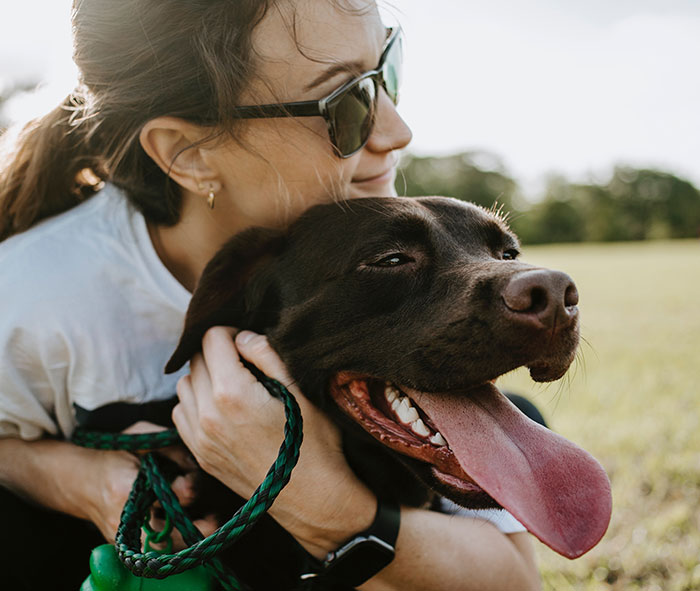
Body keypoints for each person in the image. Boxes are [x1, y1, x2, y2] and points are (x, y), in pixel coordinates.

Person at [0, 0, 541, 589]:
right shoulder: (31, 296)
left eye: (387, 68)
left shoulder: (379, 223)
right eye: (346, 102)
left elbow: (514, 582)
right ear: (188, 153)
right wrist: (82, 480)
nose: (397, 131)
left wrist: (315, 495)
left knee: (518, 412)